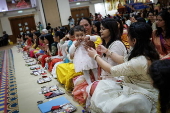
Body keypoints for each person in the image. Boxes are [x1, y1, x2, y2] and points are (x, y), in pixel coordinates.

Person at [87, 22, 160, 112]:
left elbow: (112, 70)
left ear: (134, 40)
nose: (100, 31)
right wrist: (107, 51)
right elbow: (124, 60)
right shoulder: (146, 51)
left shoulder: (139, 60)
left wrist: (95, 56)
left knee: (105, 100)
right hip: (132, 86)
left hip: (142, 93)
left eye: (128, 36)